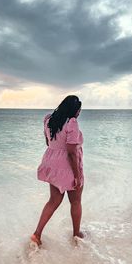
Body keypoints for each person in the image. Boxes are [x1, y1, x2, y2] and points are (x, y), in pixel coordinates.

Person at [30, 95, 84, 246]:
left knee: (53, 201)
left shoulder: (49, 120)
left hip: (52, 164)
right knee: (75, 201)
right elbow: (71, 152)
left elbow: (48, 142)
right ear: (74, 111)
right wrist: (78, 175)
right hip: (67, 166)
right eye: (79, 111)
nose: (79, 113)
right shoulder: (72, 123)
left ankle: (37, 234)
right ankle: (76, 235)